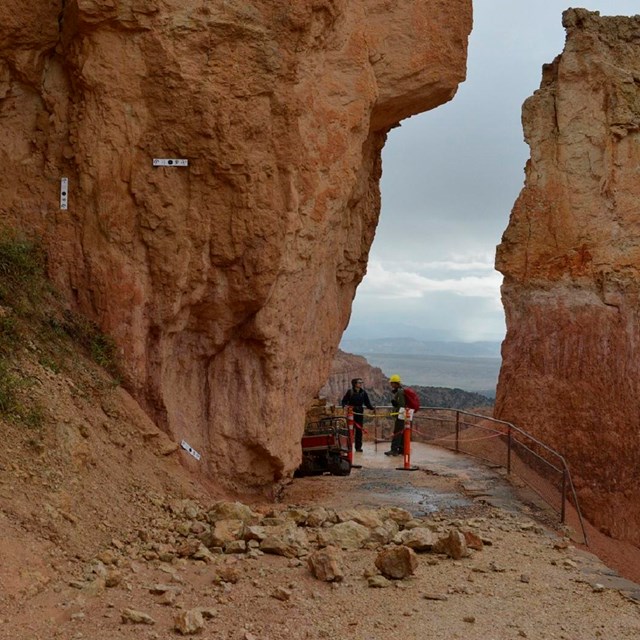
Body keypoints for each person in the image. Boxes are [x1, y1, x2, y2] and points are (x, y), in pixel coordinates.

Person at [341, 378, 374, 452]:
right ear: (355, 384)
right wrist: (345, 406)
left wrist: (372, 408)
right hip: (351, 413)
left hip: (359, 413)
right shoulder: (350, 392)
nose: (360, 384)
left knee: (359, 430)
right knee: (350, 430)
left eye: (361, 382)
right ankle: (348, 446)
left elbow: (367, 403)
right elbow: (344, 401)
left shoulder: (363, 392)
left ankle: (358, 447)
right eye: (359, 383)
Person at [385, 374, 405, 456]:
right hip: (402, 415)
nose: (391, 385)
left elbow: (401, 405)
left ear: (395, 383)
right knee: (401, 433)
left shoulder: (400, 392)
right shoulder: (401, 391)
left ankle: (394, 450)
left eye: (392, 383)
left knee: (397, 433)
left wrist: (395, 405)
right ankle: (401, 448)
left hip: (400, 415)